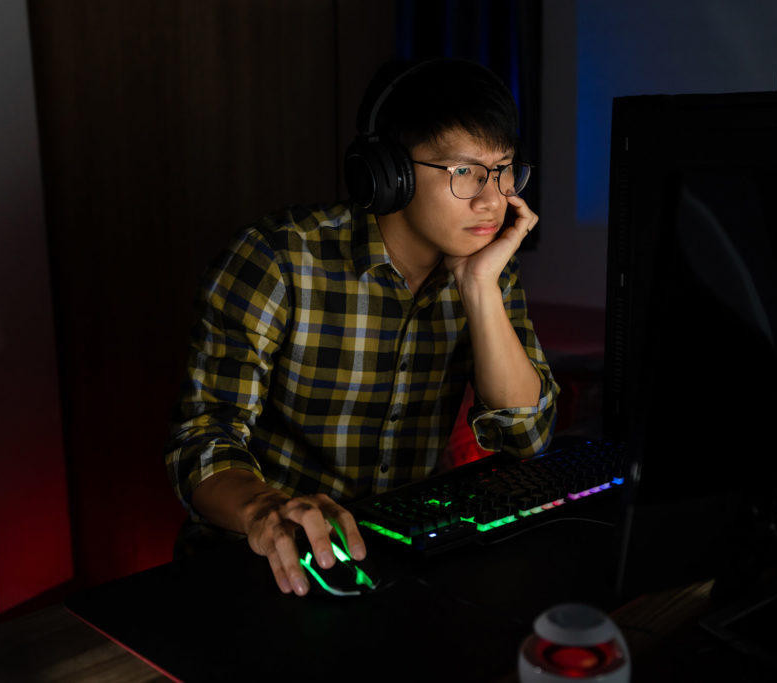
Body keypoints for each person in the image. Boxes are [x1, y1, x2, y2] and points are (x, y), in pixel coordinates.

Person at [165, 57, 559, 597]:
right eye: (464, 172)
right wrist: (265, 509)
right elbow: (203, 438)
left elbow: (526, 437)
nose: (494, 200)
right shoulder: (278, 258)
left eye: (504, 169)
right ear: (386, 174)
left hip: (396, 557)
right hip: (259, 560)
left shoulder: (488, 264)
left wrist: (479, 289)